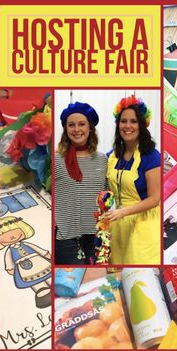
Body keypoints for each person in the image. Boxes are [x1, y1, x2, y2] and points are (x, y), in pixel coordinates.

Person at [105, 95, 161, 264]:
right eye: (123, 121)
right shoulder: (112, 156)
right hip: (118, 223)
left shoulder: (150, 156)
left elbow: (155, 199)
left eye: (133, 121)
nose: (127, 126)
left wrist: (123, 212)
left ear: (142, 125)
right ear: (118, 124)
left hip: (143, 222)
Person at [55, 101, 107, 265]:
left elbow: (106, 196)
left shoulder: (102, 159)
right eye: (71, 125)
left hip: (94, 236)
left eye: (82, 124)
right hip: (65, 236)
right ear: (65, 129)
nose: (76, 129)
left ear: (90, 127)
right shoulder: (56, 159)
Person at [0, 216, 51, 309]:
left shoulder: (27, 244)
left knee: (51, 277)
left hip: (40, 262)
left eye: (14, 230)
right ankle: (43, 293)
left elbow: (38, 249)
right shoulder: (9, 251)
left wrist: (46, 254)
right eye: (3, 234)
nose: (11, 236)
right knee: (35, 282)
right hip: (24, 270)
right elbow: (8, 262)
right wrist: (10, 269)